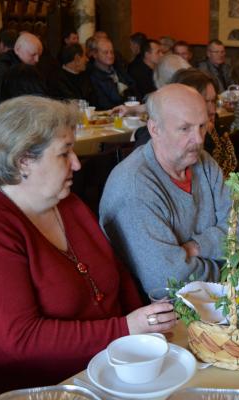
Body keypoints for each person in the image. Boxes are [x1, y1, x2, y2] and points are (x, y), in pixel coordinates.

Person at [0, 96, 176, 394]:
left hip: (110, 365)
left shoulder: (68, 204)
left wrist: (146, 338)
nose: (77, 163)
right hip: (39, 385)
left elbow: (118, 275)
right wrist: (125, 330)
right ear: (23, 161)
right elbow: (22, 340)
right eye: (64, 153)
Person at [99, 84, 231, 296]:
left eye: (202, 126)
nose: (198, 139)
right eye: (185, 128)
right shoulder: (134, 187)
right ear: (154, 129)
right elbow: (167, 282)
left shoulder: (204, 162)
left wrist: (194, 248)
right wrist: (228, 268)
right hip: (165, 316)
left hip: (219, 300)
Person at [0, 32, 42, 105]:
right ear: (17, 49)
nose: (37, 60)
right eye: (33, 54)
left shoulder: (30, 68)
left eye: (39, 55)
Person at [89, 37, 137, 110]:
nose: (110, 56)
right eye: (105, 52)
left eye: (112, 52)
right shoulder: (91, 76)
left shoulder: (119, 69)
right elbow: (103, 104)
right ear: (95, 54)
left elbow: (134, 89)